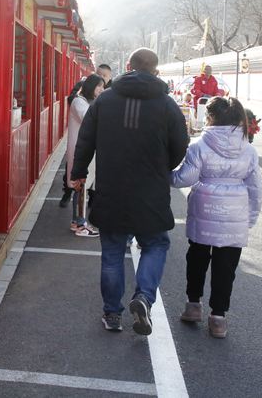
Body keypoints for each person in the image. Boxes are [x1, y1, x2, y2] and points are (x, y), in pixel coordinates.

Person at [71, 48, 189, 335]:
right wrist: (162, 166)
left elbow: (86, 138)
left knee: (112, 252)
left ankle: (112, 314)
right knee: (156, 244)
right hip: (151, 191)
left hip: (112, 188)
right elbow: (180, 145)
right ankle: (144, 297)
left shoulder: (106, 99)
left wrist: (79, 172)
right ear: (156, 70)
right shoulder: (166, 104)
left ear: (128, 65)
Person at [171, 96, 262, 338]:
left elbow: (185, 179)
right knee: (226, 267)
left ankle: (193, 306)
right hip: (235, 213)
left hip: (204, 208)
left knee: (197, 258)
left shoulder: (199, 146)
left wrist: (165, 174)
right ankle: (218, 318)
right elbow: (255, 188)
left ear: (210, 117)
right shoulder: (249, 150)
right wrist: (250, 218)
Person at [66, 74, 104, 237]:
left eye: (103, 86)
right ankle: (80, 225)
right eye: (99, 86)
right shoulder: (79, 102)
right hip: (81, 150)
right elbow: (91, 119)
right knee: (81, 186)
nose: (101, 89)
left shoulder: (85, 101)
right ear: (90, 86)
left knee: (82, 186)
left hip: (84, 149)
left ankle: (77, 222)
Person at [59, 79, 86, 208]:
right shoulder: (82, 86)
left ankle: (91, 197)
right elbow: (71, 97)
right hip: (80, 141)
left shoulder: (106, 89)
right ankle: (67, 193)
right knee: (71, 168)